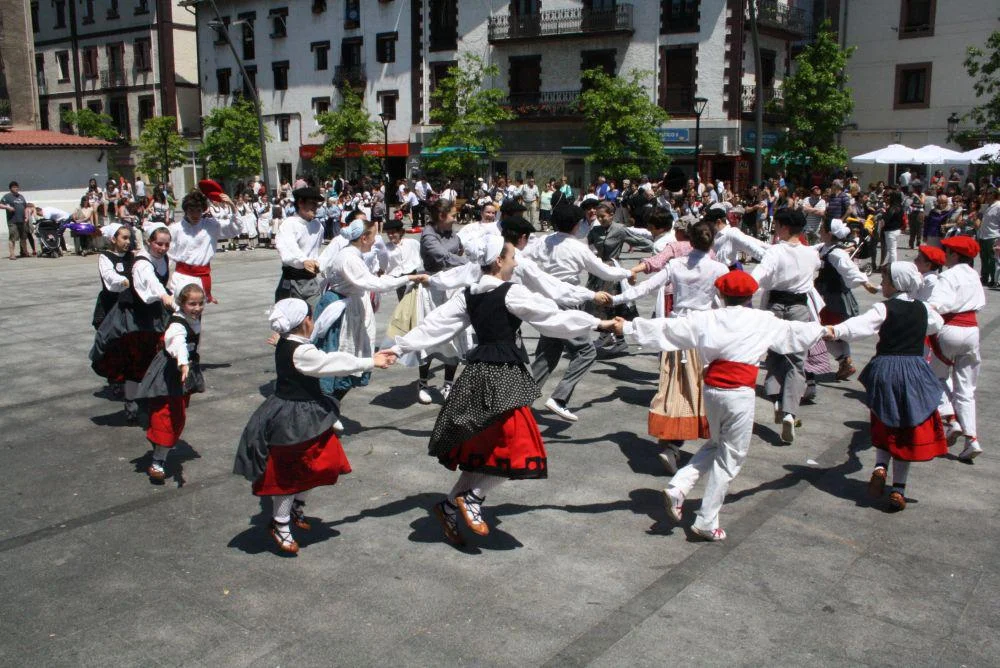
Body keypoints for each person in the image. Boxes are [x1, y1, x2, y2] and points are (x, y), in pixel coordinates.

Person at [389, 236, 618, 545]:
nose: (515, 262)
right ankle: (472, 497)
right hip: (503, 376)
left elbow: (435, 325)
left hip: (479, 375)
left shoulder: (469, 294)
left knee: (487, 450)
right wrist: (597, 324)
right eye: (512, 257)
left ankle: (450, 506)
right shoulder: (509, 292)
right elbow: (552, 318)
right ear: (498, 261)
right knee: (518, 446)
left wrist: (399, 346)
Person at [617, 270, 825, 540]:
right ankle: (706, 519)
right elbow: (796, 332)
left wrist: (627, 327)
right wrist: (831, 330)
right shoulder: (761, 319)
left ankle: (679, 487)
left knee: (716, 444)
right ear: (750, 296)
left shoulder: (707, 317)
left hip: (712, 390)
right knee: (731, 458)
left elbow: (667, 328)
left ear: (721, 294)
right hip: (738, 393)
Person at [234, 299, 396, 555]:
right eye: (311, 317)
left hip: (303, 413)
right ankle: (280, 523)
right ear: (305, 321)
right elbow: (331, 363)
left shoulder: (288, 341)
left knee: (322, 461)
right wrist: (370, 361)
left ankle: (296, 507)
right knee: (288, 472)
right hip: (293, 418)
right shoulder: (301, 351)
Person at [826, 262, 947, 511]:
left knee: (884, 420)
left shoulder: (884, 308)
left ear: (896, 283)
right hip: (914, 370)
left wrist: (834, 330)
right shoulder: (924, 309)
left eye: (885, 280)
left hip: (886, 368)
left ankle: (880, 466)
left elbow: (860, 326)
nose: (882, 284)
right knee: (906, 426)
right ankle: (898, 489)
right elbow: (936, 325)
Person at [615, 219, 728, 473]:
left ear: (689, 240)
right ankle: (686, 444)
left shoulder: (676, 265)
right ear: (712, 241)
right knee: (702, 389)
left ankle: (671, 442)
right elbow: (728, 300)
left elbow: (645, 287)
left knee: (673, 386)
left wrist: (615, 299)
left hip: (676, 330)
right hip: (704, 333)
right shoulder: (719, 268)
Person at [525, 204, 632, 421]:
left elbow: (523, 258)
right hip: (567, 302)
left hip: (547, 302)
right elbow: (605, 272)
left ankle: (520, 403)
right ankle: (559, 398)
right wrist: (629, 272)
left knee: (548, 354)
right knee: (586, 351)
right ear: (577, 225)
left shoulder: (544, 241)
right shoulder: (577, 247)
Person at [317, 213, 427, 408]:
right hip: (343, 308)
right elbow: (373, 283)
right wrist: (407, 278)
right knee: (341, 353)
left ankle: (330, 404)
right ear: (364, 238)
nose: (376, 240)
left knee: (352, 352)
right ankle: (326, 405)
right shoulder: (349, 257)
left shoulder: (353, 255)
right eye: (374, 236)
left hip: (351, 304)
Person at [752, 208, 821, 444]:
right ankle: (790, 411)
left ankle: (776, 399)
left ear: (783, 227)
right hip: (800, 306)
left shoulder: (776, 251)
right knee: (797, 360)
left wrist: (744, 288)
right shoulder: (811, 253)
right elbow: (814, 272)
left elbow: (759, 275)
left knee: (774, 354)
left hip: (776, 305)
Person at [90, 226, 174, 420]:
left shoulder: (163, 258)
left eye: (166, 244)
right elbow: (151, 282)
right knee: (134, 360)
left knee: (156, 356)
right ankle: (131, 405)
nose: (163, 248)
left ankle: (150, 398)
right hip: (134, 317)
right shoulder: (141, 263)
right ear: (149, 242)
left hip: (154, 314)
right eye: (159, 244)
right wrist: (164, 296)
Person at [133, 283, 206, 483]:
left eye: (201, 303)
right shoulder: (177, 326)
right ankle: (158, 461)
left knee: (175, 413)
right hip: (169, 372)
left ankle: (159, 446)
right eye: (192, 304)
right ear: (182, 304)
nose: (197, 308)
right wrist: (183, 363)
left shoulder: (190, 316)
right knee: (168, 415)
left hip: (182, 373)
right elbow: (178, 344)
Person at [926, 236, 986, 462]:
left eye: (948, 251)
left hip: (950, 328)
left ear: (955, 255)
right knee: (966, 389)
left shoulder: (948, 276)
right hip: (972, 331)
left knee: (934, 378)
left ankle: (951, 418)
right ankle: (972, 439)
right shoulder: (974, 275)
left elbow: (936, 305)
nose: (945, 255)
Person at [814, 217, 879, 381]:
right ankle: (845, 362)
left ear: (829, 233)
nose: (819, 231)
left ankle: (845, 361)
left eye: (822, 229)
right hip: (827, 295)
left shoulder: (836, 253)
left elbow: (850, 269)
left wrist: (866, 283)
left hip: (834, 298)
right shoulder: (825, 247)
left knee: (826, 331)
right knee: (833, 332)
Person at [417, 199, 468, 403]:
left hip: (452, 287)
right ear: (441, 216)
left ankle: (448, 383)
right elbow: (443, 257)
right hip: (432, 288)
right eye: (453, 215)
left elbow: (460, 249)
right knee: (429, 334)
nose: (456, 219)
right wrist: (469, 263)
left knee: (453, 333)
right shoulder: (428, 235)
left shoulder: (453, 234)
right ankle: (423, 383)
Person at [167, 186, 241, 303]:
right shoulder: (175, 229)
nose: (195, 215)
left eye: (199, 210)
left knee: (196, 311)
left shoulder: (210, 225)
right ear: (186, 211)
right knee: (179, 309)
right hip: (181, 277)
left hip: (202, 277)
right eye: (191, 211)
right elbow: (167, 255)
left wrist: (232, 206)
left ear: (203, 210)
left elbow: (234, 229)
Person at [274, 187, 326, 308]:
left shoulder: (318, 226)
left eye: (317, 204)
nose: (315, 208)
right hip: (292, 280)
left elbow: (315, 249)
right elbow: (288, 248)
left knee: (315, 314)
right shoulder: (290, 224)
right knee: (290, 315)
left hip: (311, 281)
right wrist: (303, 260)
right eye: (312, 203)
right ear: (301, 203)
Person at [93, 224, 134, 331]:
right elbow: (108, 275)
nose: (128, 242)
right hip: (111, 303)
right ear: (113, 239)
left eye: (129, 238)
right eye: (124, 238)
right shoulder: (105, 256)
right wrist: (123, 280)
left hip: (129, 302)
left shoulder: (131, 256)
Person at [975, 187, 1000, 287]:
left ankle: (994, 279)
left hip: (993, 236)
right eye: (985, 194)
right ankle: (984, 277)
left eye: (988, 193)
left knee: (992, 260)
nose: (986, 196)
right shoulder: (986, 206)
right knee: (984, 258)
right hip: (983, 236)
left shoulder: (998, 206)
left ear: (994, 194)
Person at [2, 181, 31, 259]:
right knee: (13, 238)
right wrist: (8, 207)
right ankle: (12, 254)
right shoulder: (7, 196)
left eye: (17, 187)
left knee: (23, 238)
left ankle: (25, 252)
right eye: (14, 187)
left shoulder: (21, 196)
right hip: (13, 221)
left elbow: (25, 208)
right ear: (10, 188)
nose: (16, 188)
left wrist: (26, 217)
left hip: (22, 221)